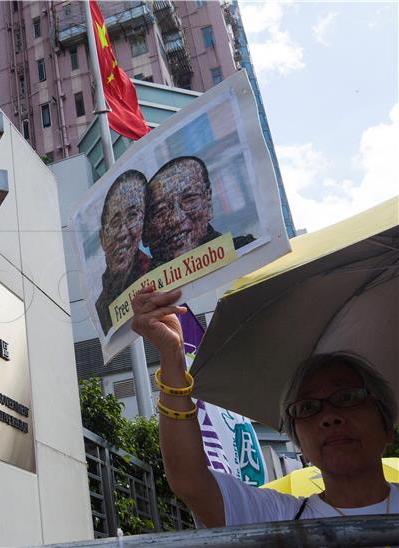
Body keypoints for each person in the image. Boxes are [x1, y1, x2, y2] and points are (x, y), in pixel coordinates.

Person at [131, 287, 398, 528]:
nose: (329, 416)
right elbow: (190, 480)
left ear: (388, 426)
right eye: (307, 407)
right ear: (300, 445)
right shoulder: (279, 519)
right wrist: (171, 354)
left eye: (347, 397)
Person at [143, 156, 254, 268]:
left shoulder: (246, 251)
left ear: (208, 200)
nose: (176, 218)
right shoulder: (148, 280)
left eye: (190, 199)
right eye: (161, 210)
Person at [95, 170, 151, 334]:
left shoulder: (158, 275)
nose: (123, 232)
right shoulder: (100, 308)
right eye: (115, 222)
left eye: (132, 216)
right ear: (103, 238)